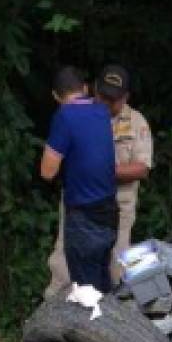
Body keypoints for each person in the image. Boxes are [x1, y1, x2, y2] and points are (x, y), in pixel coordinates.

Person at [39, 66, 117, 295]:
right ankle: (114, 329)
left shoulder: (65, 116)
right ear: (85, 88)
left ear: (55, 96)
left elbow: (47, 172)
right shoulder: (102, 110)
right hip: (110, 212)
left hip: (84, 217)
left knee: (87, 294)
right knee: (103, 283)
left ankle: (93, 331)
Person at [95, 64, 154, 263]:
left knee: (116, 268)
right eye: (103, 96)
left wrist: (101, 172)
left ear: (125, 97)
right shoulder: (81, 116)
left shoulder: (137, 122)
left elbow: (142, 168)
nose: (107, 103)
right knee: (66, 269)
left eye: (113, 99)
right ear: (95, 89)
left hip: (119, 207)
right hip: (81, 207)